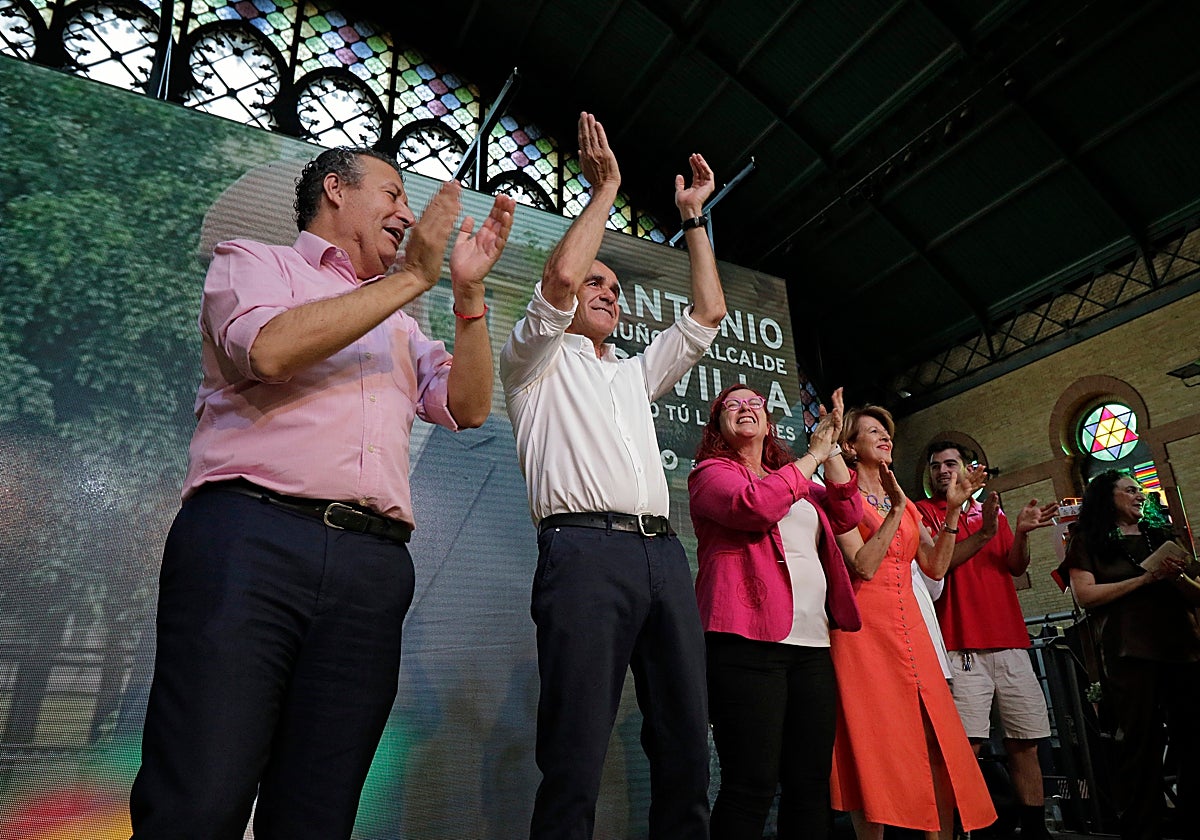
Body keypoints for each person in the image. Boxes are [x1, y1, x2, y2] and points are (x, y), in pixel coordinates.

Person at [129, 147, 516, 840]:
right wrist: (413, 278)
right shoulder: (254, 262)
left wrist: (465, 299)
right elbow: (269, 352)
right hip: (251, 541)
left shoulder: (403, 322)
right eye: (393, 193)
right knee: (200, 794)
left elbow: (470, 406)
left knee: (319, 810)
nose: (405, 212)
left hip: (372, 569)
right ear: (334, 190)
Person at [499, 112, 726, 840]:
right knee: (575, 748)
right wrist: (606, 189)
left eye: (616, 287)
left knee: (687, 742)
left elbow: (710, 312)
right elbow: (563, 274)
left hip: (663, 554)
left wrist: (694, 219)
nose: (607, 290)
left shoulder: (632, 373)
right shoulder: (530, 359)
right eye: (597, 282)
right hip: (583, 554)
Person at [688, 383, 861, 840]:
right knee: (752, 785)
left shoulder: (795, 477)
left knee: (809, 784)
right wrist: (813, 458)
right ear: (718, 425)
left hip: (811, 645)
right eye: (733, 405)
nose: (746, 408)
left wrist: (831, 447)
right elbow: (754, 506)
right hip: (746, 642)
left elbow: (848, 512)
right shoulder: (710, 473)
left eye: (755, 404)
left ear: (768, 422)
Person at [830, 405, 996, 840]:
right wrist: (896, 509)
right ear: (850, 446)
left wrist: (955, 512)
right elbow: (863, 566)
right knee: (874, 745)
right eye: (872, 431)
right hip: (864, 629)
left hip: (912, 625)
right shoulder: (841, 494)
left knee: (935, 738)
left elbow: (936, 567)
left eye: (886, 430)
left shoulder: (899, 500)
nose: (885, 436)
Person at [915, 442, 1059, 840]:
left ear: (968, 468)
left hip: (1011, 642)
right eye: (935, 466)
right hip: (960, 646)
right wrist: (980, 527)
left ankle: (1034, 829)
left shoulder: (989, 512)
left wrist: (1022, 533)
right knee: (966, 747)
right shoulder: (925, 512)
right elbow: (939, 564)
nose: (942, 471)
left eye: (950, 464)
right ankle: (965, 828)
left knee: (1025, 742)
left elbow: (1014, 566)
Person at [1058, 469, 1200, 840]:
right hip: (1130, 651)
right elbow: (1085, 596)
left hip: (1182, 646)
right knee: (1140, 742)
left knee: (1192, 737)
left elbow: (1196, 592)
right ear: (1108, 497)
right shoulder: (1088, 541)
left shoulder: (1161, 534)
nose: (1140, 495)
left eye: (1140, 489)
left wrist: (1176, 577)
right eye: (1130, 490)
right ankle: (1142, 827)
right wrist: (1144, 579)